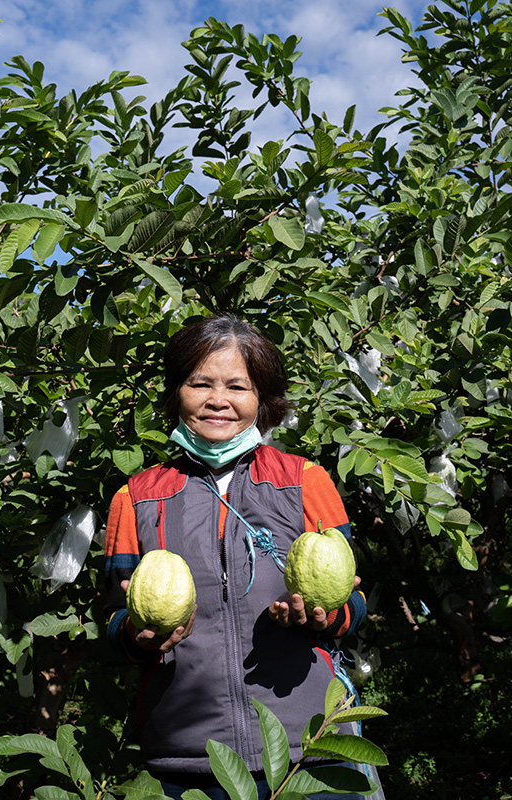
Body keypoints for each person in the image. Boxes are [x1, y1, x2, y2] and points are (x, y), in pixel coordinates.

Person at [103, 315, 377, 800]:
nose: (218, 401)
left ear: (262, 399)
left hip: (313, 748)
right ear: (175, 393)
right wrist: (138, 637)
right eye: (200, 383)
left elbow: (352, 607)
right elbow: (114, 619)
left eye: (237, 386)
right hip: (188, 758)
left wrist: (320, 616)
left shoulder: (305, 482)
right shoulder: (137, 497)